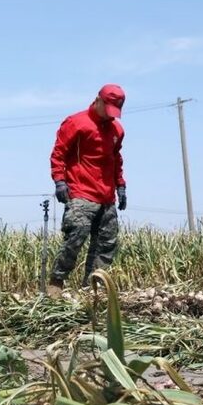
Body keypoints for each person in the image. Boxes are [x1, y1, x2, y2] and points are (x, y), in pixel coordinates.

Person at [46, 84, 127, 298]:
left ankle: (92, 291)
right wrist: (60, 181)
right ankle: (56, 283)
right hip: (81, 193)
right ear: (98, 100)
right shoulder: (76, 123)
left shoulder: (117, 130)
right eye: (107, 109)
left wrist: (121, 185)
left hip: (107, 196)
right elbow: (58, 154)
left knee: (106, 245)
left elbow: (116, 159)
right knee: (76, 237)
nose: (110, 116)